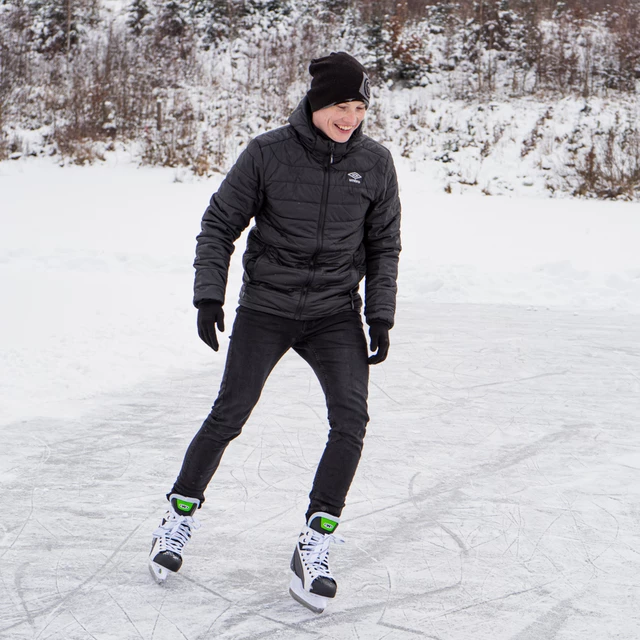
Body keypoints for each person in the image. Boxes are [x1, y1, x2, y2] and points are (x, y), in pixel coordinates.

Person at [148, 51, 401, 613]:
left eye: (360, 107)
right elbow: (219, 224)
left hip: (335, 311)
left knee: (352, 420)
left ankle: (315, 541)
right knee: (229, 413)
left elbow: (384, 244)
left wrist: (379, 313)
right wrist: (208, 293)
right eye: (341, 105)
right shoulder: (267, 153)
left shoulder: (376, 163)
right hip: (267, 305)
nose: (351, 117)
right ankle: (178, 518)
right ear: (315, 103)